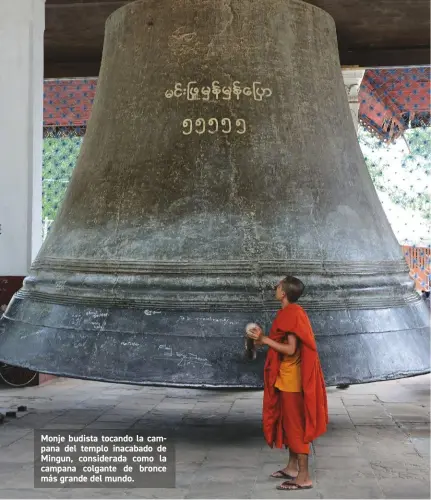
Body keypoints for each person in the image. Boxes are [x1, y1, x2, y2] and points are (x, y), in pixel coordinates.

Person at [247, 276, 328, 491]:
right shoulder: (289, 312)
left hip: (293, 381)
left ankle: (303, 476)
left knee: (296, 427)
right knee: (288, 424)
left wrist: (264, 340)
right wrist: (262, 338)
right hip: (286, 378)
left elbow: (291, 349)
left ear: (283, 293)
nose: (275, 287)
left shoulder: (292, 313)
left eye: (279, 285)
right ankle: (292, 467)